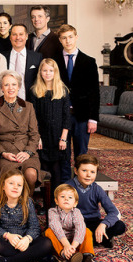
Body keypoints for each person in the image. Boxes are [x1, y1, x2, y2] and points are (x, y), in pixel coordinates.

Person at [0, 70, 43, 197]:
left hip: (26, 152)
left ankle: (25, 205)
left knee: (31, 174)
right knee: (9, 177)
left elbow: (34, 134)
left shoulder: (28, 107)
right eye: (6, 85)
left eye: (13, 84)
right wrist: (3, 153)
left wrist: (28, 152)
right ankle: (6, 207)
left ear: (19, 87)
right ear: (1, 87)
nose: (10, 88)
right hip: (4, 153)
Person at [55, 24, 100, 182]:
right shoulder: (54, 61)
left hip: (82, 115)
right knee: (63, 152)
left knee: (82, 152)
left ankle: (81, 184)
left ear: (76, 37)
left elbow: (94, 92)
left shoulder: (89, 61)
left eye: (70, 37)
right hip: (61, 115)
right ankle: (66, 184)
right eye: (64, 38)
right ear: (60, 40)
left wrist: (93, 118)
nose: (68, 41)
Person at [0, 169, 54, 262]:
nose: (15, 187)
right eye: (11, 183)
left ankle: (7, 261)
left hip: (24, 241)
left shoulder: (27, 202)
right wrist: (8, 236)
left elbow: (35, 227)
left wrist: (27, 239)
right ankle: (36, 256)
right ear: (2, 186)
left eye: (19, 185)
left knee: (47, 243)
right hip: (5, 241)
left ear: (22, 188)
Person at [66, 154, 126, 248]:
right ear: (76, 171)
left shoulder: (97, 189)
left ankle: (92, 239)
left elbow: (114, 212)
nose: (88, 175)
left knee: (120, 226)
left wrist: (103, 225)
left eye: (92, 172)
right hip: (74, 224)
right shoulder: (67, 187)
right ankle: (97, 240)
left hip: (92, 223)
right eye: (84, 170)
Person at [32, 58, 70, 199]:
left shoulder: (63, 90)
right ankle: (45, 201)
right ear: (40, 72)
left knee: (57, 170)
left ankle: (56, 201)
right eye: (45, 70)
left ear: (55, 72)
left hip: (58, 137)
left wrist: (63, 138)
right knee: (44, 169)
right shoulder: (35, 91)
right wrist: (38, 137)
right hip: (42, 137)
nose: (47, 73)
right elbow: (33, 117)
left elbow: (67, 116)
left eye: (50, 70)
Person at [45, 184, 99, 262]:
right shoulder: (52, 211)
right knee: (49, 231)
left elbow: (80, 227)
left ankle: (87, 260)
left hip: (74, 242)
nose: (66, 199)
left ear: (75, 203)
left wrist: (73, 246)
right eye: (62, 197)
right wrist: (66, 245)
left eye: (70, 197)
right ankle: (68, 256)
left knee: (87, 231)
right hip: (61, 242)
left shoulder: (76, 212)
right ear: (56, 201)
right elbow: (56, 227)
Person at [1, 24, 42, 103]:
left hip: (29, 103)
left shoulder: (37, 58)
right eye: (14, 34)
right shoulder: (2, 57)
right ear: (10, 37)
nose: (18, 38)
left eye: (21, 34)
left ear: (26, 36)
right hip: (5, 103)